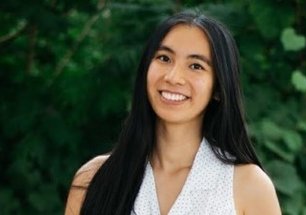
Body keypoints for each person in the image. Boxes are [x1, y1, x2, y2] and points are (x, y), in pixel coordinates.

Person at [65, 11, 281, 215]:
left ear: (218, 88)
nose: (173, 77)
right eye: (164, 58)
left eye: (196, 66)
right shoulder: (93, 179)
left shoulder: (249, 186)